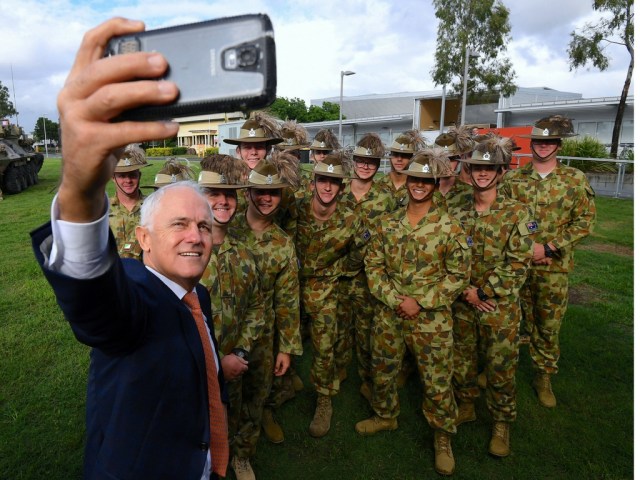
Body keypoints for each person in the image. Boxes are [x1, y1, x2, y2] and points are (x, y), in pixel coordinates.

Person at [30, 18, 228, 479]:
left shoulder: (198, 297)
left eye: (203, 225)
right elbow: (97, 302)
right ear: (143, 239)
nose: (196, 236)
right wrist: (81, 192)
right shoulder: (134, 295)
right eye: (178, 224)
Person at [354, 148, 470, 477]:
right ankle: (385, 415)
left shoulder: (449, 227)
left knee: (436, 381)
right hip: (390, 314)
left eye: (426, 181)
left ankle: (443, 435)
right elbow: (373, 267)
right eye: (414, 179)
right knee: (384, 369)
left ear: (434, 184)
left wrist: (420, 302)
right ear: (407, 181)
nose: (419, 185)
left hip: (431, 319)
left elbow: (458, 275)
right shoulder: (387, 223)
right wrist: (395, 299)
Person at [448, 136, 535, 458]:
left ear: (501, 172)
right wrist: (465, 292)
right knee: (463, 361)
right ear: (468, 172)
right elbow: (446, 256)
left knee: (500, 367)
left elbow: (519, 262)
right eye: (476, 168)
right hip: (462, 303)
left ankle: (501, 422)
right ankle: (467, 405)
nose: (482, 174)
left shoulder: (518, 213)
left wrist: (483, 292)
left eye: (489, 168)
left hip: (499, 306)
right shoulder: (456, 209)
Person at [501, 114, 596, 408]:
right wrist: (528, 247)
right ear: (533, 144)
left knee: (548, 324)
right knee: (508, 321)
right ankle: (500, 370)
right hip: (517, 265)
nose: (543, 146)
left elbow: (585, 221)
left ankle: (543, 375)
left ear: (558, 144)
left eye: (549, 141)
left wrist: (550, 247)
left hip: (553, 267)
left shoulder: (574, 179)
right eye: (538, 141)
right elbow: (502, 219)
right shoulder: (514, 179)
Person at [287, 152, 368, 438]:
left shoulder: (350, 219)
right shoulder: (294, 209)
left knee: (324, 346)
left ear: (342, 188)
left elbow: (360, 250)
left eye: (334, 182)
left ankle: (324, 400)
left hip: (326, 288)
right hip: (291, 285)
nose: (327, 187)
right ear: (313, 183)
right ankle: (284, 381)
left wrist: (340, 270)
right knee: (286, 336)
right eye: (323, 180)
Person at [197, 154, 265, 480]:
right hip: (196, 369)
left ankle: (239, 459)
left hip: (235, 363)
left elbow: (256, 307)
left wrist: (240, 352)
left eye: (230, 195)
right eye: (215, 194)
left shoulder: (244, 251)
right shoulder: (188, 251)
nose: (223, 201)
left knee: (234, 415)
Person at [229, 153, 302, 453]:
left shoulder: (283, 244)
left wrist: (286, 347)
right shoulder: (227, 228)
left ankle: (244, 454)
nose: (267, 198)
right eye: (261, 191)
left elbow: (288, 299)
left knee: (257, 394)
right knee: (222, 395)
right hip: (226, 327)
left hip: (262, 336)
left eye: (274, 192)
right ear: (248, 192)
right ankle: (217, 451)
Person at [334, 133, 394, 402]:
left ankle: (370, 380)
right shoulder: (338, 190)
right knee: (339, 327)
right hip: (339, 273)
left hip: (370, 277)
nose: (366, 166)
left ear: (379, 164)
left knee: (369, 331)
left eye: (372, 162)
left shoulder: (386, 197)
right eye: (362, 160)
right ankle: (338, 370)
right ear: (354, 160)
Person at [109, 143, 149, 259]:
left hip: (145, 273)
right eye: (122, 176)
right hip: (113, 274)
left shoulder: (153, 207)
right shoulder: (102, 210)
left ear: (139, 176)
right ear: (113, 178)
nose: (128, 180)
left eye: (133, 175)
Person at [375, 129, 426, 209]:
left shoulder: (417, 188)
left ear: (412, 158)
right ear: (390, 156)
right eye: (395, 154)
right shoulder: (377, 184)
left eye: (404, 155)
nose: (399, 159)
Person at [433, 125, 475, 209]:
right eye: (441, 158)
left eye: (451, 158)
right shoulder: (425, 187)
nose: (446, 163)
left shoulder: (471, 193)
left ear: (460, 158)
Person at [297, 128, 341, 199]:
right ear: (312, 155)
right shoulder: (302, 177)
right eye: (318, 152)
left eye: (326, 152)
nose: (322, 156)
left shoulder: (339, 176)